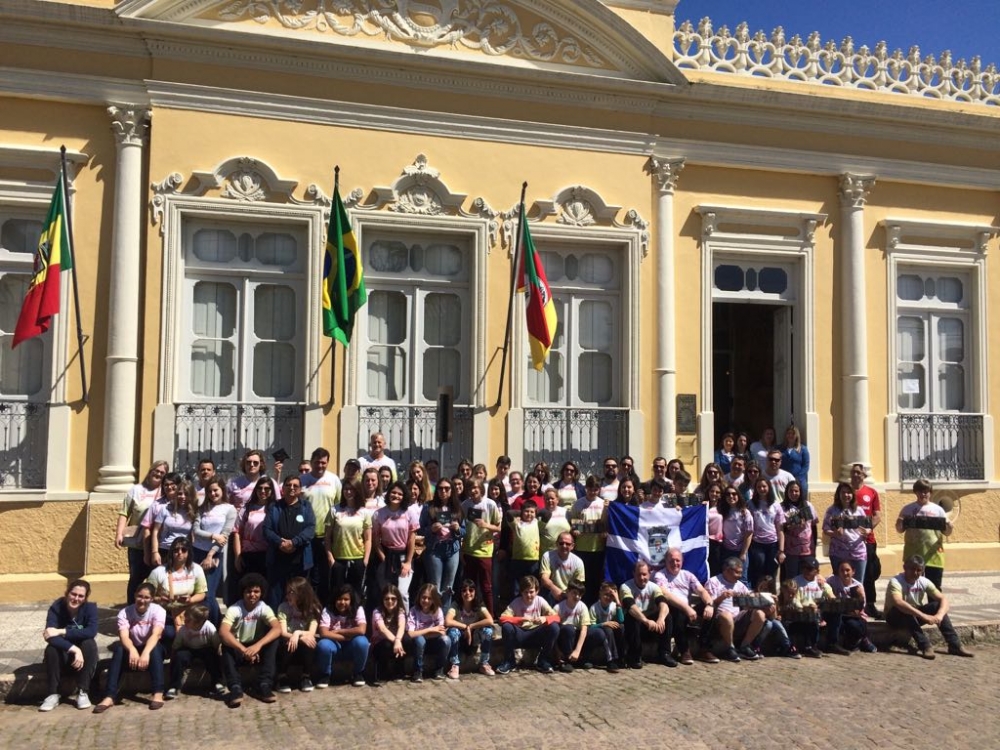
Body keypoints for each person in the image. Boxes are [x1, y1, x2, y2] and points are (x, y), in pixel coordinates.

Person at [92, 583, 167, 713]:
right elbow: (124, 636)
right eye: (139, 596)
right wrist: (132, 650)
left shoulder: (159, 611)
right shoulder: (125, 612)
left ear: (152, 599)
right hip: (132, 647)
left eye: (146, 597)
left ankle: (158, 693)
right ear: (134, 596)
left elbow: (156, 634)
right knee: (119, 650)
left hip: (151, 648)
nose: (142, 600)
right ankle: (109, 696)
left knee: (155, 650)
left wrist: (145, 653)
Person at [884, 555, 973, 659]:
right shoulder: (896, 581)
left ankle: (955, 645)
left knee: (937, 605)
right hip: (895, 616)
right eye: (912, 569)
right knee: (907, 610)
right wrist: (924, 616)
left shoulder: (923, 581)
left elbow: (943, 599)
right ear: (905, 568)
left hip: (915, 615)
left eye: (919, 570)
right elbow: (898, 602)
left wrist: (939, 615)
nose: (915, 573)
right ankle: (925, 646)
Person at [218, 573, 283, 707]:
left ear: (261, 593)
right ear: (243, 593)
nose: (252, 595)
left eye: (256, 591)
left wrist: (257, 646)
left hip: (256, 647)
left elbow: (277, 628)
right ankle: (235, 687)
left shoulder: (263, 608)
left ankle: (264, 684)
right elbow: (223, 632)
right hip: (238, 646)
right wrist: (243, 650)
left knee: (274, 640)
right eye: (249, 591)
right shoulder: (234, 609)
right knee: (225, 644)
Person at [40, 579, 99, 711]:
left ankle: (83, 691)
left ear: (85, 598)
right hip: (64, 656)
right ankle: (52, 694)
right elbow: (49, 635)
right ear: (67, 593)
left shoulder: (90, 609)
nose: (76, 598)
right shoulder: (57, 607)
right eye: (73, 594)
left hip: (84, 659)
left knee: (89, 643)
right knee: (52, 649)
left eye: (81, 596)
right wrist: (73, 649)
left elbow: (91, 631)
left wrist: (62, 631)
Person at [653, 548, 716, 665]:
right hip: (673, 611)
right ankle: (684, 651)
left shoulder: (688, 575)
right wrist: (686, 608)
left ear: (682, 561)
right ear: (666, 561)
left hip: (689, 611)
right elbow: (665, 594)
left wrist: (709, 604)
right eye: (671, 561)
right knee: (678, 611)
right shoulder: (660, 575)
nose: (675, 563)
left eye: (678, 560)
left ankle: (704, 648)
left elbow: (702, 591)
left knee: (711, 608)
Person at [116, 460, 167, 603]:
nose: (158, 474)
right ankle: (132, 608)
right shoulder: (136, 490)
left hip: (158, 543)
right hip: (137, 543)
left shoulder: (165, 492)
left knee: (157, 579)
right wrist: (119, 534)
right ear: (150, 471)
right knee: (136, 578)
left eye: (162, 473)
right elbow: (124, 513)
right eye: (156, 470)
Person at [264, 474, 315, 608]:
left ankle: (298, 623)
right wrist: (280, 542)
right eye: (288, 485)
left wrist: (294, 542)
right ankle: (276, 625)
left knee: (299, 594)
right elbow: (267, 529)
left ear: (299, 490)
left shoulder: (306, 506)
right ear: (283, 488)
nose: (292, 488)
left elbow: (310, 528)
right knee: (276, 596)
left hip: (299, 560)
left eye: (295, 486)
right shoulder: (274, 506)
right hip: (277, 560)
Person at [299, 447, 342, 607]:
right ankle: (305, 607)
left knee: (324, 575)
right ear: (312, 462)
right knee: (306, 573)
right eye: (317, 462)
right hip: (306, 535)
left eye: (323, 462)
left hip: (327, 535)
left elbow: (339, 504)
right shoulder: (302, 480)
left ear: (327, 462)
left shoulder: (334, 480)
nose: (320, 465)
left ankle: (322, 608)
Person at [704, 556, 768, 662]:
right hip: (719, 619)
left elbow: (749, 602)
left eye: (741, 572)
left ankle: (744, 646)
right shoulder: (713, 582)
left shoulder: (740, 585)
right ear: (727, 570)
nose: (740, 576)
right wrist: (722, 597)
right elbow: (709, 604)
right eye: (737, 572)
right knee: (726, 615)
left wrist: (763, 601)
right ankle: (730, 648)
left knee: (760, 614)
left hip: (737, 618)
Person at [191, 476, 235, 624]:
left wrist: (210, 555)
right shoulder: (201, 509)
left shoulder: (229, 509)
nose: (213, 494)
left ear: (222, 490)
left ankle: (215, 626)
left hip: (215, 554)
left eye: (215, 490)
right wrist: (212, 535)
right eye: (209, 491)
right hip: (196, 553)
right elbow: (196, 530)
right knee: (197, 591)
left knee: (209, 594)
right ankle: (201, 625)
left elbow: (224, 537)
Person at [146, 536, 207, 642]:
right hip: (167, 612)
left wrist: (190, 600)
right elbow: (146, 595)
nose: (180, 553)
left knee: (212, 605)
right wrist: (160, 599)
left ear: (188, 553)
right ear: (171, 552)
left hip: (188, 611)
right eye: (176, 550)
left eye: (183, 550)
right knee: (170, 634)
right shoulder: (158, 572)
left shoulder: (196, 569)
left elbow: (202, 593)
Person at [497, 575, 561, 674]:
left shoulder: (540, 601)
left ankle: (543, 660)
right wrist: (519, 620)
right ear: (521, 592)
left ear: (537, 591)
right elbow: (502, 619)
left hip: (536, 634)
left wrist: (544, 619)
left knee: (554, 627)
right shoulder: (516, 602)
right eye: (525, 592)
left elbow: (557, 618)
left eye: (531, 592)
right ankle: (509, 661)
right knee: (507, 627)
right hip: (520, 634)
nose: (528, 595)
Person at [896, 479, 953, 590]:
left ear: (930, 492)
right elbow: (900, 530)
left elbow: (946, 532)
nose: (923, 494)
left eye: (926, 491)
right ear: (915, 492)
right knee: (913, 588)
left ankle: (934, 608)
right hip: (913, 556)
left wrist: (949, 527)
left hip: (934, 556)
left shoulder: (938, 510)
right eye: (920, 491)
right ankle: (914, 607)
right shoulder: (907, 509)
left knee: (934, 588)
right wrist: (899, 523)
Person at [420, 477, 465, 609]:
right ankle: (434, 616)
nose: (443, 491)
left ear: (451, 490)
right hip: (435, 550)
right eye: (440, 488)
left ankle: (444, 619)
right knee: (435, 586)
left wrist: (457, 529)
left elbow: (464, 531)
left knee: (448, 587)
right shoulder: (428, 506)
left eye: (447, 488)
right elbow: (421, 530)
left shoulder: (457, 507)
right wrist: (431, 529)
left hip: (452, 549)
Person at [373, 480, 418, 611]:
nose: (396, 496)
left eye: (400, 494)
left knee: (402, 593)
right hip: (386, 554)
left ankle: (405, 625)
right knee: (386, 593)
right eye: (393, 492)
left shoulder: (409, 513)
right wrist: (384, 560)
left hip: (404, 555)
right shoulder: (378, 514)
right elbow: (376, 540)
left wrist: (408, 562)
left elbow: (411, 539)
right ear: (388, 494)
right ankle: (385, 622)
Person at [325, 478, 372, 602]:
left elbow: (368, 538)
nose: (348, 492)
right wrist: (330, 558)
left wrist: (365, 560)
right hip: (338, 559)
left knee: (356, 594)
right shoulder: (334, 510)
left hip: (357, 558)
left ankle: (355, 618)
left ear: (357, 491)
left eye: (351, 489)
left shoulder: (364, 512)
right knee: (337, 593)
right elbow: (328, 537)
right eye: (346, 489)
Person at [620, 561, 672, 668]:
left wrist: (661, 619)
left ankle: (664, 653)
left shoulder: (654, 587)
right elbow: (631, 607)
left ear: (649, 574)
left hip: (651, 626)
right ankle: (635, 656)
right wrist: (646, 621)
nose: (642, 577)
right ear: (633, 573)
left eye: (644, 574)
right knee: (632, 617)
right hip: (635, 625)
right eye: (639, 574)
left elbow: (664, 604)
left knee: (667, 617)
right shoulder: (625, 587)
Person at [315, 584, 370, 688]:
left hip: (351, 646)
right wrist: (346, 637)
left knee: (362, 642)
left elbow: (362, 630)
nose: (342, 602)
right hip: (334, 645)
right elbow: (323, 633)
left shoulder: (358, 609)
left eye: (346, 599)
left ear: (351, 600)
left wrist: (339, 631)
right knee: (323, 645)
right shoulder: (327, 610)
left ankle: (358, 673)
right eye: (339, 599)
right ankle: (325, 675)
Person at [461, 479, 502, 615]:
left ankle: (489, 617)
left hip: (485, 551)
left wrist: (485, 525)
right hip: (468, 550)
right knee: (469, 586)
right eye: (470, 488)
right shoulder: (465, 505)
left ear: (481, 489)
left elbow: (499, 527)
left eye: (475, 487)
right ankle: (469, 614)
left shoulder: (490, 504)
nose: (473, 490)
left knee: (486, 587)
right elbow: (461, 527)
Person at [166, 604, 224, 700]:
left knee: (212, 656)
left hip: (205, 647)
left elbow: (216, 643)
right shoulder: (183, 630)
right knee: (179, 656)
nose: (185, 621)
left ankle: (217, 682)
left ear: (198, 623)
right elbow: (176, 646)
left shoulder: (209, 628)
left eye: (188, 620)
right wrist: (173, 656)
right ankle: (174, 686)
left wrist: (218, 653)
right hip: (188, 648)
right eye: (185, 619)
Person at [275, 577, 321, 693]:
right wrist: (295, 637)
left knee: (310, 642)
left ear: (301, 593)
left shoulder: (313, 609)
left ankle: (306, 676)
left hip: (303, 641)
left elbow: (311, 632)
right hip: (288, 642)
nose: (288, 596)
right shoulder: (283, 607)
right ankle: (282, 676)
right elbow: (283, 632)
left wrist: (297, 633)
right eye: (287, 592)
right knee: (287, 643)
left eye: (291, 592)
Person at [850, 463, 883, 618]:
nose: (856, 475)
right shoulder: (845, 492)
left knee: (870, 573)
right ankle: (853, 604)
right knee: (850, 573)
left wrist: (869, 529)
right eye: (853, 472)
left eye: (859, 472)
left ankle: (870, 604)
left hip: (867, 540)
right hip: (849, 542)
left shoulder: (871, 492)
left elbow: (877, 515)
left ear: (864, 475)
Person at [786, 556, 836, 657]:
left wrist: (826, 591)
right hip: (801, 612)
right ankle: (810, 646)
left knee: (835, 614)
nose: (806, 571)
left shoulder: (820, 582)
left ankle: (832, 644)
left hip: (818, 612)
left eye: (809, 569)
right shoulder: (796, 581)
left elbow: (831, 597)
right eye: (803, 568)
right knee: (811, 615)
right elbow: (795, 600)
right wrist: (807, 607)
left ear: (817, 571)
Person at [444, 579, 495, 678]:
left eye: (471, 590)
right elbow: (447, 621)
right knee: (453, 632)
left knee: (488, 631)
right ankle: (455, 665)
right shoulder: (456, 605)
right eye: (464, 590)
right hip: (460, 636)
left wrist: (471, 626)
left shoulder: (479, 604)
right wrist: (465, 627)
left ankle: (484, 663)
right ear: (460, 592)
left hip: (474, 637)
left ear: (475, 592)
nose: (468, 593)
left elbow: (490, 620)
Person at [570, 475, 608, 603]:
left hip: (598, 548)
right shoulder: (578, 503)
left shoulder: (603, 504)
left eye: (595, 490)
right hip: (581, 548)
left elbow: (606, 524)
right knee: (582, 580)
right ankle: (582, 605)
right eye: (590, 489)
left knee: (596, 580)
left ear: (599, 490)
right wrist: (574, 530)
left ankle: (594, 606)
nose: (592, 492)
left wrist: (604, 532)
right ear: (586, 488)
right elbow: (572, 523)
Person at [823, 482, 869, 586]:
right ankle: (842, 602)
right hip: (838, 552)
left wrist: (866, 532)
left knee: (857, 584)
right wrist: (834, 533)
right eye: (843, 492)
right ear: (838, 494)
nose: (846, 495)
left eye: (849, 492)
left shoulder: (859, 510)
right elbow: (825, 529)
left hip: (858, 551)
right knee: (839, 583)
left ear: (853, 495)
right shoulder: (832, 510)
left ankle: (857, 602)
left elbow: (868, 528)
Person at [149, 473, 197, 572]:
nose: (182, 497)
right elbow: (155, 531)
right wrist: (155, 552)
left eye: (186, 494)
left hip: (183, 552)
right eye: (180, 494)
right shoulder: (165, 509)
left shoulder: (193, 513)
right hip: (164, 550)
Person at [827, 562, 877, 653]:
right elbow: (823, 583)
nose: (845, 573)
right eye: (842, 570)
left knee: (854, 625)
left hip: (853, 615)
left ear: (853, 571)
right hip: (840, 614)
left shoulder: (857, 585)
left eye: (847, 570)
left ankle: (862, 640)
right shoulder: (832, 581)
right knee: (837, 622)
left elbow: (862, 606)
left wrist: (860, 597)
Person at [556, 582, 606, 671]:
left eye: (580, 594)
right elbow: (554, 630)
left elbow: (584, 629)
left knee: (599, 633)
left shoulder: (582, 607)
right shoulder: (558, 607)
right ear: (567, 592)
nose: (577, 597)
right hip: (565, 638)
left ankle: (582, 658)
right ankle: (567, 660)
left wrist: (577, 650)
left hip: (578, 636)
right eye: (574, 593)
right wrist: (557, 651)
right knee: (569, 628)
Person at [231, 477, 272, 585]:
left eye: (267, 489)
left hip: (267, 555)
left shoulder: (275, 508)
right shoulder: (247, 508)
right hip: (248, 556)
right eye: (260, 488)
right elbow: (237, 532)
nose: (263, 491)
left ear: (272, 491)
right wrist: (237, 557)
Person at [405, 583, 450, 682]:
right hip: (417, 644)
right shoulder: (413, 611)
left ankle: (439, 669)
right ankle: (418, 671)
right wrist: (431, 629)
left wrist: (422, 633)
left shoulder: (438, 611)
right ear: (419, 597)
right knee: (420, 640)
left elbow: (442, 632)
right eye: (423, 597)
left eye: (429, 598)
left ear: (434, 600)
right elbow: (411, 634)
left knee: (446, 640)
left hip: (432, 642)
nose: (426, 601)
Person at [747, 477, 785, 588]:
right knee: (759, 571)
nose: (761, 489)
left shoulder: (776, 505)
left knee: (771, 573)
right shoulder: (750, 504)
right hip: (757, 543)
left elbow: (780, 529)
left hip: (773, 544)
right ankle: (758, 597)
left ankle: (771, 597)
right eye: (759, 487)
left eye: (764, 486)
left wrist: (781, 550)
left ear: (769, 487)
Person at [371, 584, 408, 685]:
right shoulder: (377, 612)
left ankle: (399, 671)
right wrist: (396, 641)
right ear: (382, 599)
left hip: (396, 642)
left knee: (406, 639)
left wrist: (397, 640)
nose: (390, 601)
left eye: (393, 598)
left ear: (398, 599)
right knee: (387, 644)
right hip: (380, 643)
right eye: (387, 599)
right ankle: (382, 674)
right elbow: (382, 629)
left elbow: (402, 626)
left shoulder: (400, 611)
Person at [718, 485, 753, 585]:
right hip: (726, 550)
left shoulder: (745, 513)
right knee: (726, 577)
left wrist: (743, 552)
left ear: (738, 496)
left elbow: (749, 533)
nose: (731, 496)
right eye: (728, 494)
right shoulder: (722, 511)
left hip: (740, 551)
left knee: (742, 578)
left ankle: (742, 600)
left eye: (734, 494)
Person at [539, 531, 586, 604]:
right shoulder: (547, 556)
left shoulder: (578, 562)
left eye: (567, 544)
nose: (564, 546)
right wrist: (554, 589)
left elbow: (578, 585)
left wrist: (566, 594)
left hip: (569, 593)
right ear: (556, 544)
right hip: (551, 591)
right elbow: (544, 579)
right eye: (561, 543)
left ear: (572, 546)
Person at [589, 581, 625, 671]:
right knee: (607, 629)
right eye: (606, 594)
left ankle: (621, 657)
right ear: (600, 593)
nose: (608, 598)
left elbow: (621, 620)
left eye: (611, 596)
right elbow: (590, 627)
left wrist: (617, 601)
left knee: (621, 627)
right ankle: (611, 660)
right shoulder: (594, 608)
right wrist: (604, 624)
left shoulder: (613, 606)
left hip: (611, 632)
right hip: (599, 632)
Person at [780, 425, 810, 494]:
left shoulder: (803, 449)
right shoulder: (780, 448)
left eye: (793, 433)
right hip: (783, 480)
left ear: (796, 435)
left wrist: (797, 479)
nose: (790, 435)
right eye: (788, 433)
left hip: (799, 481)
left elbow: (806, 466)